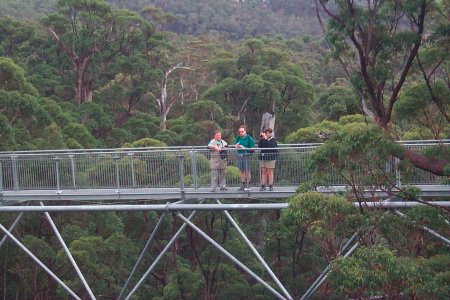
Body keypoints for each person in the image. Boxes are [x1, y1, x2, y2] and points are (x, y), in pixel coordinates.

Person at [234, 125, 255, 191]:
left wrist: (244, 148)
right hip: (240, 156)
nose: (241, 133)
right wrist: (236, 146)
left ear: (245, 131)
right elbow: (236, 145)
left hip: (247, 156)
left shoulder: (249, 138)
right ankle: (242, 185)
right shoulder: (238, 138)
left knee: (247, 171)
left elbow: (253, 149)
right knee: (241, 171)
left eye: (242, 131)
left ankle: (248, 185)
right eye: (239, 132)